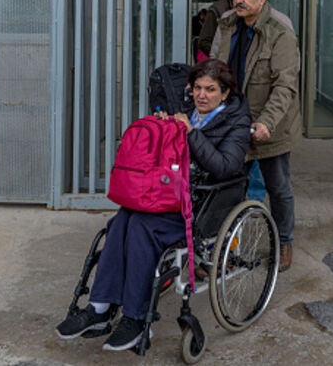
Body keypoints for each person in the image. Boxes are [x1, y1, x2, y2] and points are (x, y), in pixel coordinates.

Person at [56, 59, 251, 351]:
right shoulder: (186, 112)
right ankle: (99, 308)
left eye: (210, 90)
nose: (201, 95)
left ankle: (134, 318)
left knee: (141, 227)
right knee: (121, 221)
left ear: (225, 94)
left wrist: (191, 134)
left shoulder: (236, 122)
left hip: (201, 204)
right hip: (166, 195)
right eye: (197, 88)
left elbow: (225, 167)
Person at [210, 0, 301, 272]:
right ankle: (225, 246)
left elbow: (285, 84)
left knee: (278, 187)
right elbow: (215, 69)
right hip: (233, 122)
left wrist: (267, 123)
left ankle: (284, 242)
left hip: (269, 125)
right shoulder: (226, 25)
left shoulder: (280, 31)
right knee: (227, 186)